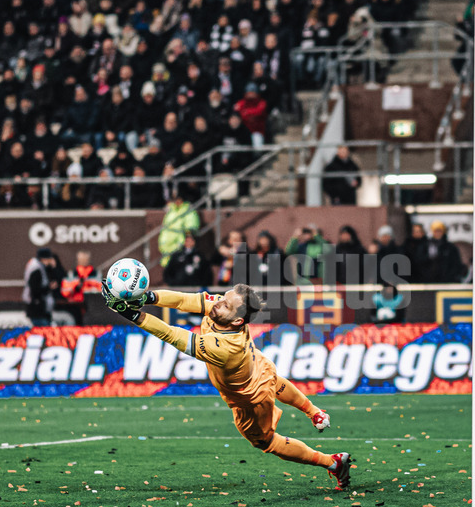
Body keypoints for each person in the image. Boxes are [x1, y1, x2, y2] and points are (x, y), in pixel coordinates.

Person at [102, 284, 352, 490]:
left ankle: (332, 462)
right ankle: (314, 411)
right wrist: (147, 297)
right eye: (223, 298)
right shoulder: (226, 310)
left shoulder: (223, 348)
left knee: (265, 442)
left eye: (226, 304)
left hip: (251, 398)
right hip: (258, 364)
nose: (218, 303)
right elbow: (181, 300)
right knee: (273, 379)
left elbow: (170, 334)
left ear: (238, 320)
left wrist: (132, 314)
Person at [158, 186, 202, 267]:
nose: (177, 201)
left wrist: (187, 237)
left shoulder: (188, 210)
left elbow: (191, 225)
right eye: (175, 199)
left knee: (180, 266)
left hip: (179, 243)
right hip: (167, 243)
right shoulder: (171, 210)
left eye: (179, 199)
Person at [23, 247, 58, 326]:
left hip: (40, 308)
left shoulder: (41, 267)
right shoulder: (36, 269)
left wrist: (53, 268)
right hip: (37, 309)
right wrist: (49, 288)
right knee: (42, 331)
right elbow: (35, 290)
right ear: (44, 259)